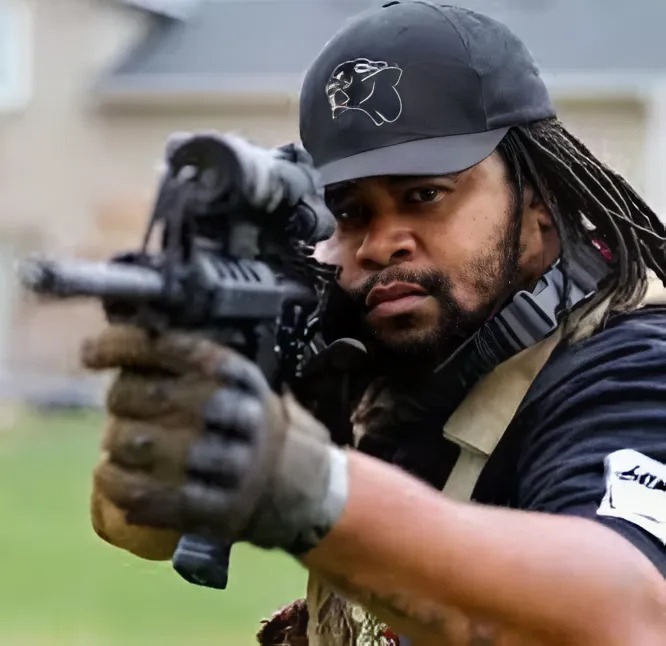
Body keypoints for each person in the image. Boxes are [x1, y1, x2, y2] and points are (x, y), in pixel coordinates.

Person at [83, 2, 666, 645]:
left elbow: (630, 615)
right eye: (352, 211)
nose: (381, 243)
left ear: (540, 206)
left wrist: (313, 486)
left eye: (425, 195)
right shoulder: (405, 358)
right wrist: (194, 402)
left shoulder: (633, 369)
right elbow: (137, 527)